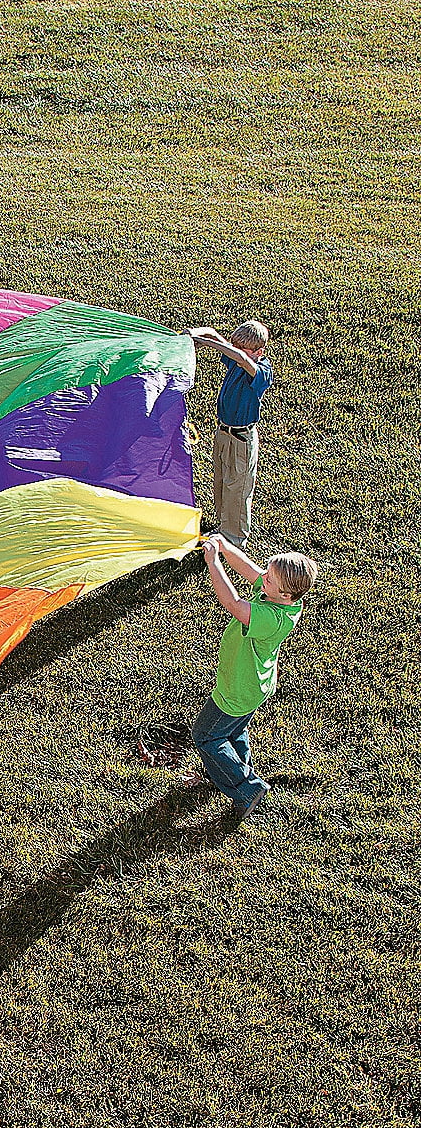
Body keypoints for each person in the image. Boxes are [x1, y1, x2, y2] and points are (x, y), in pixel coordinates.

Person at [187, 535, 316, 822]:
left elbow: (233, 604)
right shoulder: (280, 594)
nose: (263, 578)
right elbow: (248, 569)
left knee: (206, 736)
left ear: (285, 594)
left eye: (269, 579)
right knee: (232, 731)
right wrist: (225, 546)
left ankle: (247, 789)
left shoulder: (273, 618)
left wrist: (213, 561)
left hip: (238, 688)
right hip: (255, 684)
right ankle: (234, 766)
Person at [186, 321, 273, 549]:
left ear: (258, 352)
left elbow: (242, 359)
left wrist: (207, 343)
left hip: (241, 438)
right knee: (222, 481)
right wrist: (194, 335)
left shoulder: (260, 371)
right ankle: (223, 527)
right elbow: (213, 334)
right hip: (223, 432)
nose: (235, 353)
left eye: (240, 349)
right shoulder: (237, 361)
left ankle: (235, 538)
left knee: (238, 487)